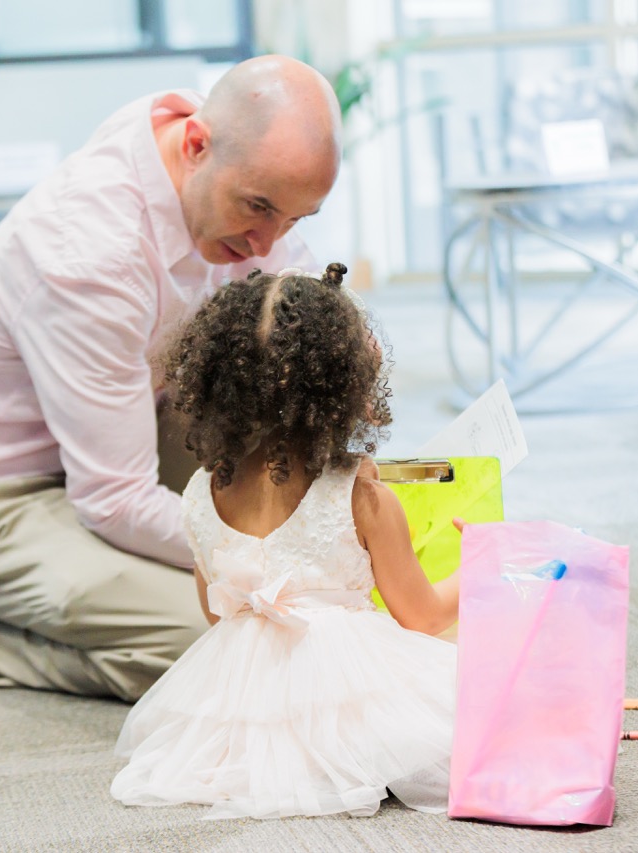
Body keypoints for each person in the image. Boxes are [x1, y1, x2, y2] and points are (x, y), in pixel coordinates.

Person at [0, 55, 344, 702]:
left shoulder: (214, 144)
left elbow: (301, 305)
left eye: (295, 219)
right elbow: (114, 499)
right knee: (236, 639)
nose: (268, 242)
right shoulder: (89, 253)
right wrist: (275, 556)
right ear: (195, 146)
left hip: (126, 435)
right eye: (258, 208)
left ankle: (107, 593)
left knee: (279, 391)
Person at [110, 264, 460, 820]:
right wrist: (482, 565)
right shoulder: (361, 496)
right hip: (350, 699)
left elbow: (216, 614)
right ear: (348, 382)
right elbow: (423, 617)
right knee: (479, 702)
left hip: (241, 707)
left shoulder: (200, 492)